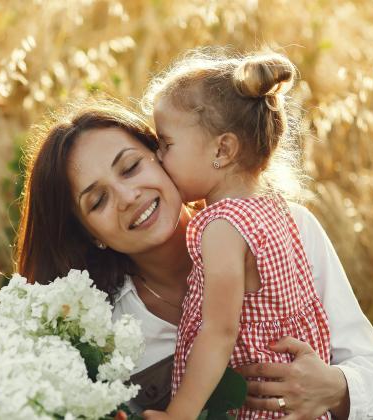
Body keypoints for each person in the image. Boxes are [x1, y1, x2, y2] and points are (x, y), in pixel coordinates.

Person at [15, 99, 373, 419]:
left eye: (131, 167)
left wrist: (335, 388)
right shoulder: (103, 330)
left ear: (162, 155)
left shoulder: (287, 229)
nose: (128, 196)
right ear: (90, 235)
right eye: (97, 201)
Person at [139, 50, 330, 420]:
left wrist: (180, 414)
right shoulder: (272, 208)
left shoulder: (223, 227)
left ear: (223, 149)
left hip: (253, 407)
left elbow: (219, 333)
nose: (158, 157)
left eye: (166, 144)